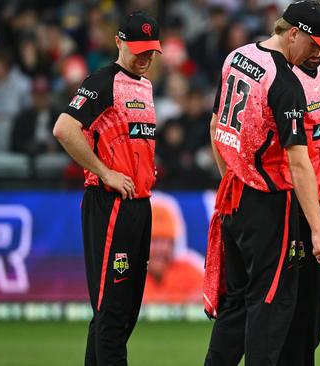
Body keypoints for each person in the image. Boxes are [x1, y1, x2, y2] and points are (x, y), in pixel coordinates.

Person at [202, 2, 320, 365]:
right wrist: (318, 230)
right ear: (292, 33)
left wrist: (235, 176)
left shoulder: (237, 57)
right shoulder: (285, 83)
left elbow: (216, 127)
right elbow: (298, 162)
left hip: (234, 196)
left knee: (234, 307)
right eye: (315, 44)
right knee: (270, 307)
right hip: (268, 204)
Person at [52, 11, 162, 366]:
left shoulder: (144, 85)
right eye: (138, 50)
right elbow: (64, 128)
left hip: (138, 206)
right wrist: (105, 171)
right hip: (110, 205)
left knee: (122, 313)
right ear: (118, 42)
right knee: (112, 314)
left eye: (151, 51)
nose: (145, 57)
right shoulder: (103, 82)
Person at [278, 1, 320, 365]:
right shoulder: (282, 79)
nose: (319, 52)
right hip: (293, 207)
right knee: (289, 314)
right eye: (314, 43)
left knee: (316, 313)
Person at [143, 193, 204, 304]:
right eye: (155, 240)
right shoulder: (129, 273)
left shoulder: (191, 269)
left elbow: (213, 293)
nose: (160, 249)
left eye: (166, 241)